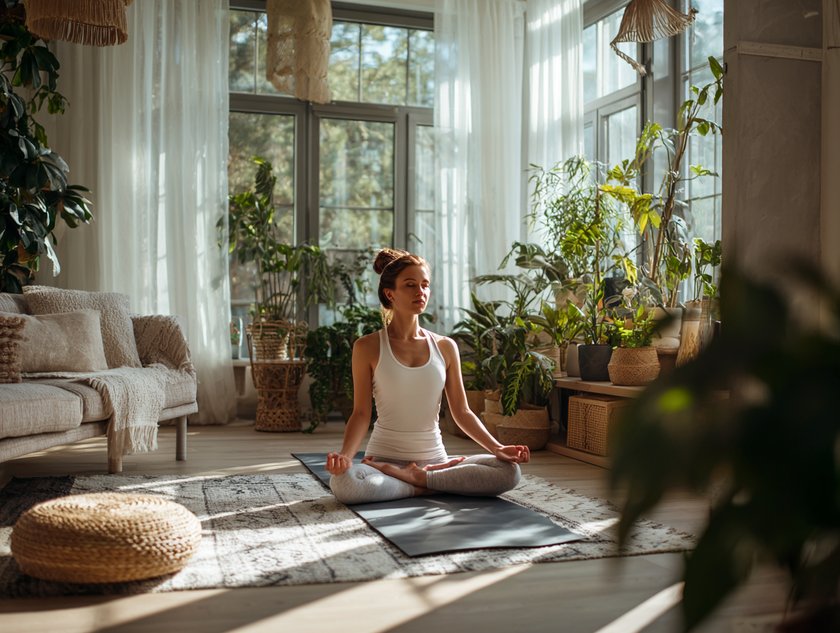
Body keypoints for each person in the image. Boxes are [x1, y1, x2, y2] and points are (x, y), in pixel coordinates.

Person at [326, 247, 530, 504]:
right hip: (383, 462)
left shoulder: (445, 346)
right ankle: (426, 483)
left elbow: (462, 412)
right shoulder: (367, 347)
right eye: (410, 285)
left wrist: (497, 448)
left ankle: (416, 480)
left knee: (509, 471)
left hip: (435, 461)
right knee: (344, 483)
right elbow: (361, 413)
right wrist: (346, 456)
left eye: (424, 285)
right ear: (390, 293)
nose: (420, 292)